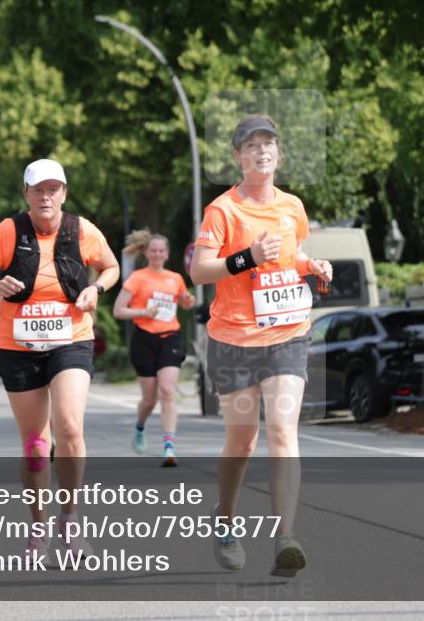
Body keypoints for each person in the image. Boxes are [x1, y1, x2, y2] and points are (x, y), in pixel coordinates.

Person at [190, 114, 333, 577]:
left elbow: (292, 258)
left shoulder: (293, 206)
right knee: (242, 439)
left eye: (268, 143)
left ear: (279, 153)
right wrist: (247, 257)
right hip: (232, 338)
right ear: (238, 157)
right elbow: (200, 271)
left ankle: (285, 537)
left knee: (283, 433)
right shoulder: (222, 211)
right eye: (251, 144)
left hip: (287, 334)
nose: (261, 150)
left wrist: (314, 267)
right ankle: (226, 520)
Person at [0, 158, 119, 559]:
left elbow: (111, 266)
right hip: (19, 347)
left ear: (64, 193)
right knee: (35, 445)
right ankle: (38, 524)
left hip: (71, 339)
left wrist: (96, 289)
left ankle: (70, 520)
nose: (46, 196)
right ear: (26, 194)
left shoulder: (81, 230)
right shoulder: (8, 232)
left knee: (68, 424)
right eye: (38, 189)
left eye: (53, 189)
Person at [113, 229, 194, 466]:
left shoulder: (175, 278)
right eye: (153, 250)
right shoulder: (137, 278)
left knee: (167, 392)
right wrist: (142, 312)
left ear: (167, 254)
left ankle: (169, 447)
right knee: (149, 400)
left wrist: (189, 301)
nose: (157, 254)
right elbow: (118, 310)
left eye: (162, 250)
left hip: (170, 337)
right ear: (147, 253)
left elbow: (185, 301)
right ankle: (140, 426)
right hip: (144, 339)